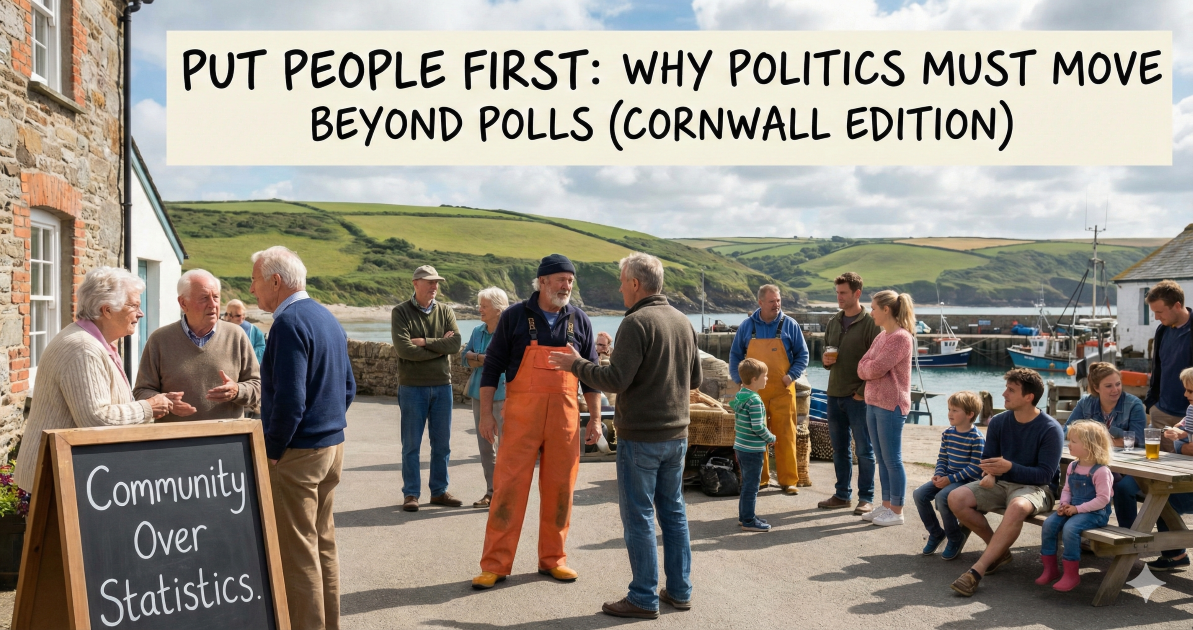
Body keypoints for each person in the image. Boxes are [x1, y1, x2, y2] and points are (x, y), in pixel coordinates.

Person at [547, 252, 702, 619]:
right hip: (677, 434)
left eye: (621, 281)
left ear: (635, 283)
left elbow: (614, 380)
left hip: (642, 436)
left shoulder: (636, 323)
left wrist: (577, 364)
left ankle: (644, 597)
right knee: (674, 514)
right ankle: (680, 591)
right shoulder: (681, 321)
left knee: (639, 517)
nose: (619, 288)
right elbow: (694, 380)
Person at [472, 254, 603, 590]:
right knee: (507, 491)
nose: (567, 285)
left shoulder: (580, 321)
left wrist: (596, 419)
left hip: (565, 421)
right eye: (561, 279)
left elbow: (591, 377)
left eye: (570, 280)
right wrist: (486, 415)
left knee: (561, 491)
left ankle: (554, 559)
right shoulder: (515, 316)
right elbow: (492, 368)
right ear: (542, 281)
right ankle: (495, 565)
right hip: (519, 421)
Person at [252, 246, 355, 630]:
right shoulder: (326, 316)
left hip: (299, 453)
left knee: (298, 554)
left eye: (255, 280)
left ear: (275, 281)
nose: (252, 290)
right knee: (323, 544)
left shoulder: (288, 323)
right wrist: (329, 426)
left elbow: (290, 400)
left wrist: (274, 450)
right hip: (332, 447)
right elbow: (348, 386)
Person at [15, 267, 179, 492]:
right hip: (57, 485)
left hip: (67, 478)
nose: (140, 314)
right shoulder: (83, 348)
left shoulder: (95, 343)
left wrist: (156, 403)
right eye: (134, 306)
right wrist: (148, 407)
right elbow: (97, 419)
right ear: (107, 310)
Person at [948, 368, 1063, 597]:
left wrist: (1010, 468)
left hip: (1037, 489)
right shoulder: (999, 422)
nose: (1004, 394)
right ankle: (998, 552)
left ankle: (976, 572)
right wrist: (990, 474)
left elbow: (1045, 476)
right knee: (956, 498)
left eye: (1011, 390)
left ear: (1029, 397)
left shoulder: (1050, 429)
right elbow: (987, 460)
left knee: (1017, 507)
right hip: (1002, 483)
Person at [134, 270, 261, 422]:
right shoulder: (159, 340)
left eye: (216, 297)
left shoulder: (236, 335)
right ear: (183, 303)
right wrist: (164, 402)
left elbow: (258, 386)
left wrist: (237, 391)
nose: (213, 305)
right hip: (174, 441)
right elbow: (141, 391)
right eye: (204, 298)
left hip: (227, 440)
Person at [392, 265, 463, 512]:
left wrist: (424, 342)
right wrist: (439, 346)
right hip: (412, 388)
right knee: (411, 444)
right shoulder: (400, 312)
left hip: (442, 387)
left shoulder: (445, 311)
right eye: (429, 282)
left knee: (442, 444)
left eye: (436, 283)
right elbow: (403, 350)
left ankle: (439, 491)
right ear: (416, 283)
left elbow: (455, 343)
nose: (434, 287)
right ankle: (411, 494)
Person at [728, 284, 809, 495]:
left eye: (779, 300)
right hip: (754, 393)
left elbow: (803, 355)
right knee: (756, 436)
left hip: (783, 390)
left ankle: (789, 480)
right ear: (761, 303)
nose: (777, 305)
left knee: (786, 435)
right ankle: (760, 479)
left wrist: (790, 376)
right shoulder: (747, 326)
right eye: (772, 301)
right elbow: (735, 355)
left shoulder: (790, 325)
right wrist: (740, 380)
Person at [818, 272, 880, 515]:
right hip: (833, 395)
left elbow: (877, 363)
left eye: (843, 293)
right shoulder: (834, 322)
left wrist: (862, 392)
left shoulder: (870, 323)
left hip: (858, 398)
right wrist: (824, 360)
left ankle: (866, 498)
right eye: (837, 292)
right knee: (839, 449)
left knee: (864, 449)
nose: (839, 297)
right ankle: (842, 494)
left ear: (857, 293)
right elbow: (827, 355)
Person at [857, 290, 915, 527]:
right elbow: (862, 366)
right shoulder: (881, 337)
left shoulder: (901, 338)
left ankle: (898, 511)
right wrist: (869, 368)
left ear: (886, 310)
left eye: (873, 308)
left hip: (891, 405)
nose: (870, 312)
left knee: (892, 459)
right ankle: (887, 505)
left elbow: (876, 368)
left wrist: (869, 368)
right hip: (873, 402)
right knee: (882, 458)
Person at [1064, 362, 1146, 528]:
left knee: (1121, 487)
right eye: (1108, 386)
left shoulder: (1134, 404)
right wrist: (1112, 440)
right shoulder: (1085, 403)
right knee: (1077, 476)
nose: (1115, 390)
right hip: (1097, 464)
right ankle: (1080, 527)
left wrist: (1092, 442)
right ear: (1096, 387)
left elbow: (1137, 440)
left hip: (1129, 466)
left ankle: (1127, 534)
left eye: (1118, 384)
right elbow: (1067, 430)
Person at [1036, 421, 1114, 592]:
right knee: (1049, 524)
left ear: (1090, 445)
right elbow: (1067, 489)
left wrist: (1077, 509)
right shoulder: (1073, 465)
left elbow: (1103, 499)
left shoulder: (1101, 471)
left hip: (1095, 513)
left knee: (1070, 528)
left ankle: (1071, 574)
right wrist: (1064, 504)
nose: (1068, 444)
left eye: (1073, 441)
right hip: (1073, 508)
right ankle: (1050, 569)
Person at [913, 391, 984, 559]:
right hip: (948, 477)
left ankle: (955, 537)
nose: (950, 414)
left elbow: (975, 468)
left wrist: (950, 480)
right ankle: (936, 533)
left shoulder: (976, 438)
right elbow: (943, 458)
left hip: (966, 482)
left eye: (955, 410)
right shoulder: (948, 434)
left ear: (969, 414)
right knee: (919, 494)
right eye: (949, 409)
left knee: (942, 497)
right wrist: (938, 475)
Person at [461, 286, 509, 508]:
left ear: (498, 309)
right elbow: (465, 358)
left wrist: (477, 357)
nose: (479, 309)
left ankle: (505, 493)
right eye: (479, 305)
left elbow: (504, 363)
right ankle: (490, 492)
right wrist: (484, 357)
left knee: (505, 446)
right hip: (479, 395)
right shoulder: (477, 331)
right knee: (485, 445)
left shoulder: (509, 333)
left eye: (484, 306)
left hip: (504, 394)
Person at [1147, 367, 1193, 571]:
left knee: (1162, 498)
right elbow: (1183, 436)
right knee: (1161, 497)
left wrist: (1180, 444)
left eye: (1190, 391)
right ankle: (1176, 554)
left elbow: (1187, 446)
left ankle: (1175, 553)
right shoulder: (1191, 410)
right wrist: (1180, 443)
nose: (1185, 395)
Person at [1144, 280, 1192, 451]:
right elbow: (1157, 368)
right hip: (1162, 413)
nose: (1156, 317)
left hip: (1190, 416)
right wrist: (1152, 404)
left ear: (1177, 305)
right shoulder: (1162, 330)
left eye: (1159, 312)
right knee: (1160, 470)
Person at [733, 358, 776, 533]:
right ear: (754, 380)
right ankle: (749, 520)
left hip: (740, 447)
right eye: (764, 376)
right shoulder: (756, 401)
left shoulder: (740, 395)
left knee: (746, 484)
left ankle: (745, 517)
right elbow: (758, 426)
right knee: (752, 486)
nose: (766, 379)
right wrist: (770, 437)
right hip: (753, 450)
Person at [225, 298, 267, 365]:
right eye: (238, 315)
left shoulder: (254, 331)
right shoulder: (220, 329)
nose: (242, 317)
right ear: (229, 315)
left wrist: (246, 357)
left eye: (243, 314)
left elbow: (261, 348)